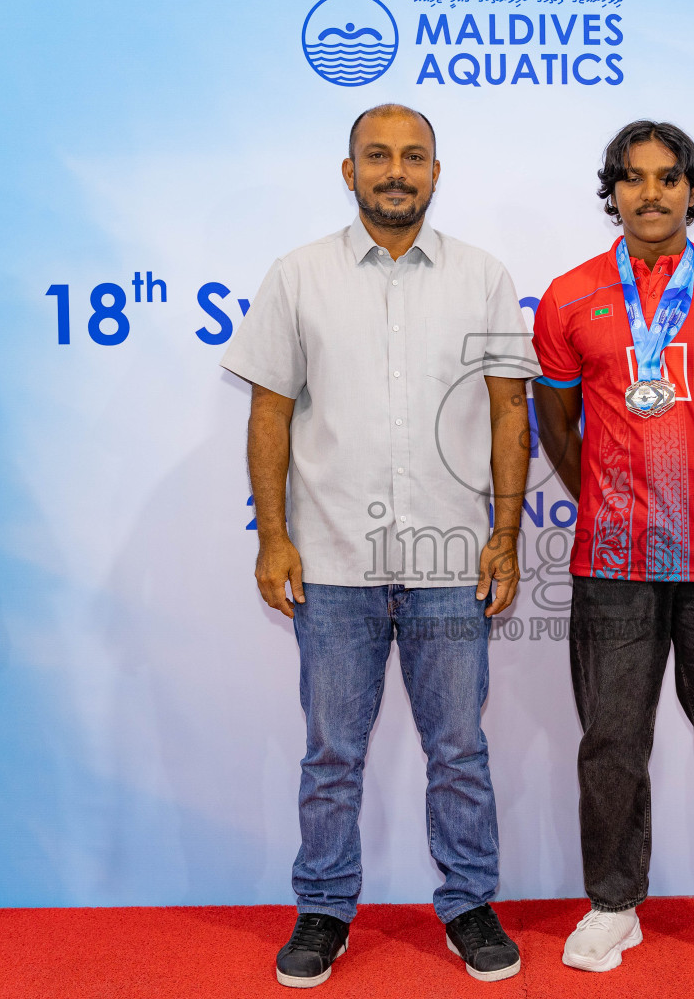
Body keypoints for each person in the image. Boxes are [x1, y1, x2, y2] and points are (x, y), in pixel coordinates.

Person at [220, 104, 535, 988]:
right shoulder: (298, 276)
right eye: (378, 155)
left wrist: (505, 536)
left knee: (459, 751)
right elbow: (270, 413)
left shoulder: (483, 277)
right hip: (331, 564)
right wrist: (274, 538)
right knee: (331, 755)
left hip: (450, 562)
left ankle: (468, 904)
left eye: (414, 156)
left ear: (436, 171)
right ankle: (323, 909)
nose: (396, 170)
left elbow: (510, 413)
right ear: (348, 170)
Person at [531, 120, 694, 977]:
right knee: (611, 740)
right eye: (634, 177)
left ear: (692, 189)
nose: (651, 193)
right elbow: (556, 426)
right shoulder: (569, 297)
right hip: (612, 562)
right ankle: (614, 906)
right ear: (611, 189)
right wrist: (613, 496)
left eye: (669, 177)